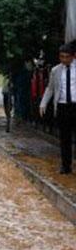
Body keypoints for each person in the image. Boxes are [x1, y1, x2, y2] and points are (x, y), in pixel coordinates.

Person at [40, 43, 76, 174]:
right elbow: (50, 88)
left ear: (73, 56)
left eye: (67, 57)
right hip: (62, 107)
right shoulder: (55, 70)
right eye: (62, 57)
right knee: (64, 138)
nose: (64, 60)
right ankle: (66, 166)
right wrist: (43, 103)